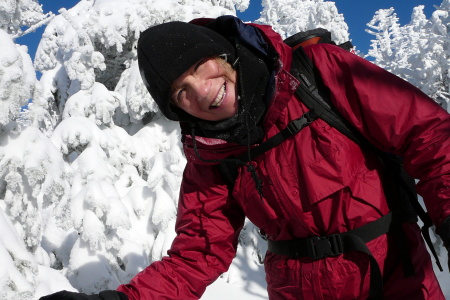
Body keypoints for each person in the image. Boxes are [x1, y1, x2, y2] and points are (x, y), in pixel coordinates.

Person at [40, 15, 450, 300]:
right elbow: (197, 254)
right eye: (182, 92)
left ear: (223, 52)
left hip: (396, 278)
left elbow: (429, 136)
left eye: (200, 67)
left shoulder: (317, 72)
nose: (203, 92)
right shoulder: (211, 155)